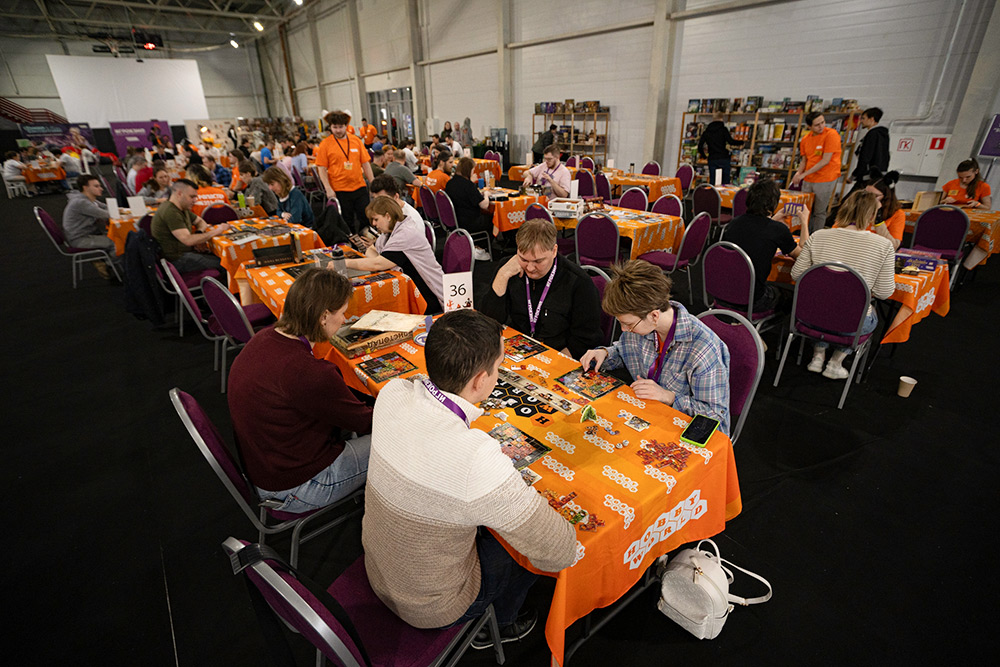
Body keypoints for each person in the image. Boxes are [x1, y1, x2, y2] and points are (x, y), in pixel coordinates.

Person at [362, 308, 575, 646]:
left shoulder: (391, 392)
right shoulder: (476, 457)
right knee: (520, 549)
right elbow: (560, 550)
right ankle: (501, 624)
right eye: (499, 367)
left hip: (378, 571)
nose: (499, 375)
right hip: (434, 606)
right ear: (480, 380)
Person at [228, 268, 372, 514]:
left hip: (267, 467)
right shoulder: (307, 373)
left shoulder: (263, 337)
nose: (344, 320)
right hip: (299, 486)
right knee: (398, 441)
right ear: (324, 316)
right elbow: (368, 422)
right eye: (342, 312)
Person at [580, 260, 732, 435]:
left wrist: (668, 397)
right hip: (646, 414)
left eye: (628, 324)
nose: (623, 330)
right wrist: (605, 353)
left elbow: (715, 416)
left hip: (683, 428)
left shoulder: (703, 349)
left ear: (654, 316)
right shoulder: (642, 325)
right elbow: (625, 351)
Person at [790, 191, 895, 380]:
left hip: (809, 316)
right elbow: (884, 292)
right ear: (872, 215)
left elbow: (797, 275)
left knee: (825, 301)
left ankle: (818, 355)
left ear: (843, 209)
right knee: (865, 311)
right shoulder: (883, 245)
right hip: (851, 323)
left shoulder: (818, 236)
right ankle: (836, 362)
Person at [480, 219, 602, 358]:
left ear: (554, 251)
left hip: (557, 353)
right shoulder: (508, 268)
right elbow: (488, 321)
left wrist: (554, 362)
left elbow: (585, 339)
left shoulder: (578, 282)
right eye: (523, 259)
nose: (530, 268)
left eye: (538, 261)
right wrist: (502, 275)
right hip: (518, 348)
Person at [344, 192, 443, 313]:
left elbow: (378, 264)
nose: (373, 224)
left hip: (427, 296)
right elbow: (372, 251)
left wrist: (345, 263)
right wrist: (377, 260)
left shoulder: (405, 234)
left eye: (376, 219)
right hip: (411, 290)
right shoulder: (389, 232)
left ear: (388, 216)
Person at [722, 177, 809, 313]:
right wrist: (804, 221)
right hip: (752, 299)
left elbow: (757, 232)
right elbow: (803, 256)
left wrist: (774, 219)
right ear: (774, 203)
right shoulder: (778, 230)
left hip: (722, 291)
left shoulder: (733, 223)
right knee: (791, 296)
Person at [150, 178, 230, 277]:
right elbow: (188, 240)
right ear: (179, 194)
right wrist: (217, 231)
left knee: (222, 257)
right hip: (177, 260)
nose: (195, 200)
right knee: (226, 264)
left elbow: (201, 222)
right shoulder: (170, 212)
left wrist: (199, 233)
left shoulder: (182, 208)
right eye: (192, 197)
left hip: (185, 253)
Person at [315, 110, 374, 233]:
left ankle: (368, 242)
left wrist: (373, 182)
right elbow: (321, 168)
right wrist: (328, 188)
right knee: (347, 222)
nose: (338, 130)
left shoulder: (356, 141)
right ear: (330, 127)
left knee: (366, 218)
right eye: (334, 127)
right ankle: (351, 242)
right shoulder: (325, 144)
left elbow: (365, 164)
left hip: (359, 187)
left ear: (346, 126)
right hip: (339, 189)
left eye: (341, 127)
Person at [791, 112, 843, 232]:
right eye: (817, 125)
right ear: (809, 126)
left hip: (826, 177)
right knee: (806, 209)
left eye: (823, 122)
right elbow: (804, 160)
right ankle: (805, 233)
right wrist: (798, 173)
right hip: (809, 178)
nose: (821, 126)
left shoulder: (831, 134)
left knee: (819, 211)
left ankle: (816, 234)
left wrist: (804, 174)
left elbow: (825, 160)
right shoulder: (805, 139)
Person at [61, 174, 121, 277]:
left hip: (84, 234)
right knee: (118, 242)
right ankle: (107, 266)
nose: (101, 189)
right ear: (85, 188)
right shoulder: (81, 202)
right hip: (79, 239)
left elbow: (106, 207)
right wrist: (120, 212)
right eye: (96, 186)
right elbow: (106, 214)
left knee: (117, 237)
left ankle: (106, 262)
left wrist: (116, 211)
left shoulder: (87, 199)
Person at [445, 156, 493, 260]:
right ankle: (481, 247)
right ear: (468, 170)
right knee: (491, 218)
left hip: (454, 220)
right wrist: (486, 195)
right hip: (469, 222)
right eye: (473, 170)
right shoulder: (468, 185)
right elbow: (484, 205)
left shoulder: (450, 183)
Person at [697, 112, 743, 185]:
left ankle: (713, 192)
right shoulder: (723, 130)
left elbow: (700, 146)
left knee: (713, 180)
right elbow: (731, 142)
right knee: (725, 181)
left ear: (713, 119)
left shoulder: (707, 131)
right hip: (723, 158)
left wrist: (704, 156)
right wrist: (741, 142)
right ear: (722, 118)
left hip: (712, 158)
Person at [848, 107, 889, 189]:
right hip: (878, 176)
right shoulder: (883, 134)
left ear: (871, 119)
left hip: (867, 176)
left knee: (853, 196)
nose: (861, 121)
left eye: (863, 118)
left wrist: (854, 175)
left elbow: (865, 157)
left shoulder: (872, 134)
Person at [864, 169, 903, 250]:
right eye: (866, 194)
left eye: (875, 196)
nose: (868, 199)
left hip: (876, 251)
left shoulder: (898, 214)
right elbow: (838, 230)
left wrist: (878, 221)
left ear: (886, 197)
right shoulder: (856, 206)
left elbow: (894, 245)